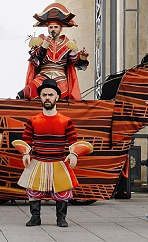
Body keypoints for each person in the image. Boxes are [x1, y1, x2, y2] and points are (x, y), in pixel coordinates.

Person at [14, 78, 91, 228]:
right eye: (44, 95)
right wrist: (25, 153)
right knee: (34, 190)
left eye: (50, 94)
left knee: (62, 191)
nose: (47, 97)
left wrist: (74, 154)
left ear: (57, 97)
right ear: (40, 97)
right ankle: (35, 218)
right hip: (38, 160)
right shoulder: (33, 120)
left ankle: (61, 218)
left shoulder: (66, 121)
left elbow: (73, 141)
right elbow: (27, 140)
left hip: (59, 162)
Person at [18, 3, 89, 101]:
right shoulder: (40, 41)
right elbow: (36, 60)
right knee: (24, 93)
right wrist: (44, 45)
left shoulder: (68, 44)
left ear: (61, 29)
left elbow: (76, 63)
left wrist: (82, 57)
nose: (53, 29)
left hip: (60, 78)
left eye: (56, 27)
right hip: (42, 76)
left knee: (62, 100)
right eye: (51, 27)